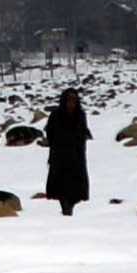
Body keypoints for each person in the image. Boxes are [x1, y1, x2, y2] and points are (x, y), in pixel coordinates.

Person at [43, 85, 90, 215]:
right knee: (61, 189)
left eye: (74, 100)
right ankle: (66, 209)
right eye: (69, 100)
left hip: (76, 158)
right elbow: (50, 134)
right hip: (59, 157)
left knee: (75, 190)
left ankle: (69, 209)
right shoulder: (55, 115)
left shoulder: (80, 115)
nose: (71, 103)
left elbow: (82, 134)